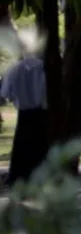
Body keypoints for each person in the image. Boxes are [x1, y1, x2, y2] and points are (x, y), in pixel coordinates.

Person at [1, 53, 48, 186]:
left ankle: (19, 174)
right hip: (40, 112)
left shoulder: (14, 68)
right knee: (39, 145)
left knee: (22, 144)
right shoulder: (44, 67)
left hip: (23, 113)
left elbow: (5, 93)